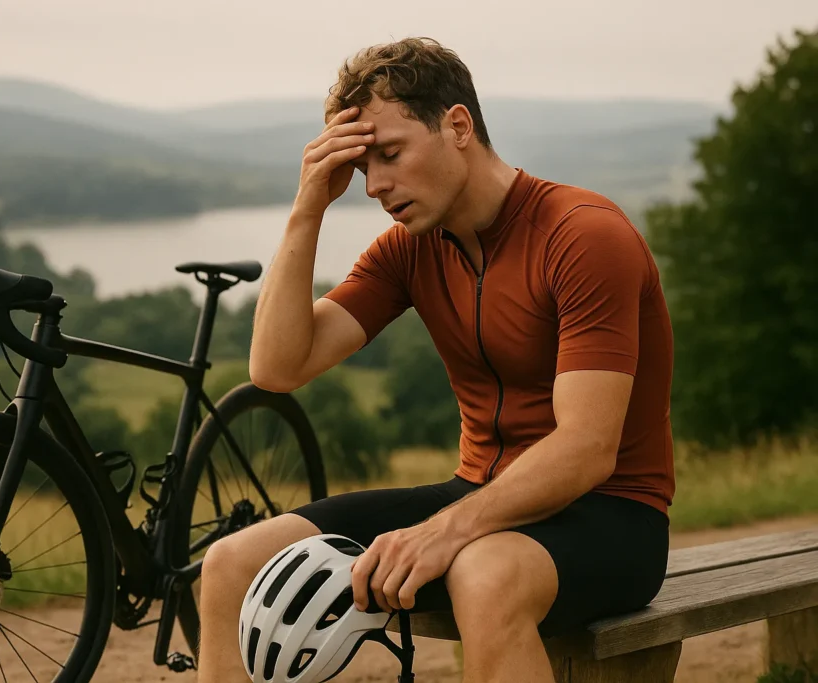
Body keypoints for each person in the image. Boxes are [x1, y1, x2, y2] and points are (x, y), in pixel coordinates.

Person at [199, 36, 674, 683]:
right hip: (476, 495)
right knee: (230, 565)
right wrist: (309, 206)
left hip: (610, 513)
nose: (376, 186)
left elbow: (588, 447)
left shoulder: (582, 235)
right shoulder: (410, 249)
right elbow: (277, 368)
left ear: (457, 126)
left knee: (484, 572)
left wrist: (447, 531)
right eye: (363, 168)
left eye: (390, 154)